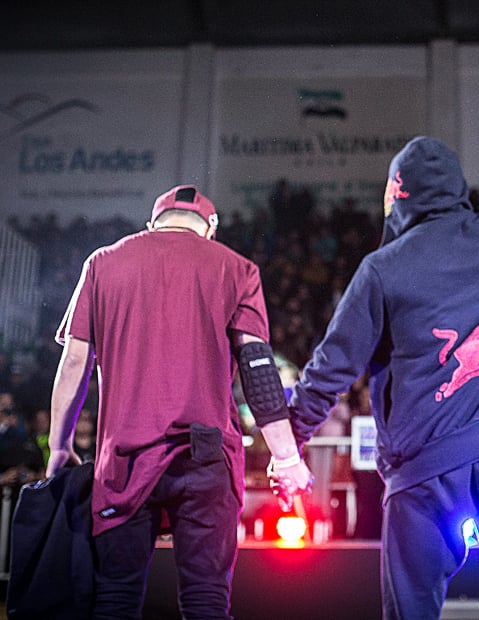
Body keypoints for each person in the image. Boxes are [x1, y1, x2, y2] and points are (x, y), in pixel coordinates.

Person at [287, 64, 479, 619]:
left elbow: (331, 367)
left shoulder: (382, 268)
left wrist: (288, 440)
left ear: (397, 195)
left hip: (425, 474)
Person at [46, 185, 313, 619]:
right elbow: (257, 366)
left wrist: (60, 447)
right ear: (209, 228)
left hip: (123, 462)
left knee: (115, 599)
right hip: (207, 457)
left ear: (153, 223)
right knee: (206, 600)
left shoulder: (103, 262)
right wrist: (286, 457)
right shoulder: (236, 268)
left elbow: (74, 361)